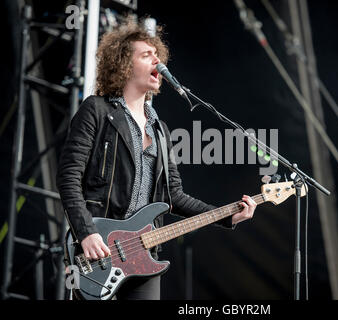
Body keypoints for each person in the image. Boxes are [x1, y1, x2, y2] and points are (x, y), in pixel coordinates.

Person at [56, 19, 257, 300]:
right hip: (98, 246)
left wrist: (227, 215)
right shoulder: (97, 110)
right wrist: (86, 232)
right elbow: (68, 177)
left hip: (143, 255)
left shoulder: (159, 129)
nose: (157, 61)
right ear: (124, 64)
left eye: (158, 55)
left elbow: (174, 196)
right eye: (146, 55)